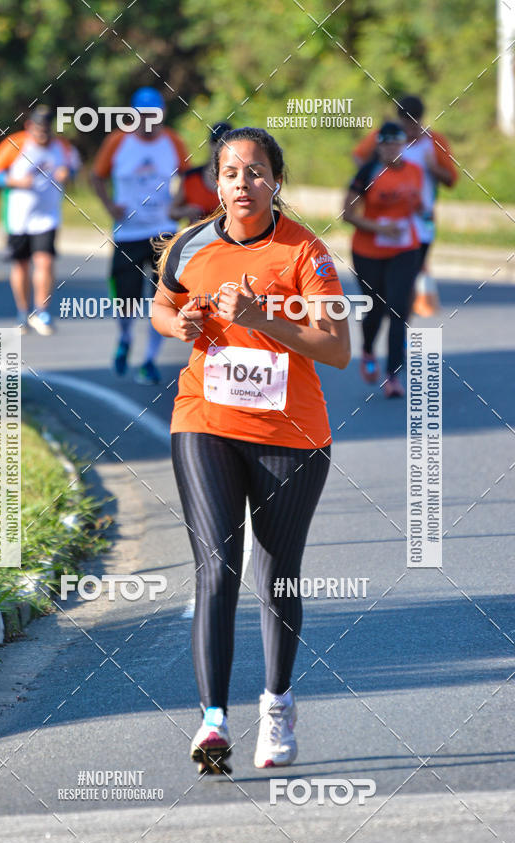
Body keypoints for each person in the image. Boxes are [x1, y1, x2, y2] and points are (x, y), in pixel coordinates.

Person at [151, 127, 350, 774]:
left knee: (277, 574)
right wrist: (175, 323)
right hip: (203, 419)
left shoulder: (305, 253)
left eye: (257, 171)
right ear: (216, 183)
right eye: (232, 172)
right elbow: (163, 304)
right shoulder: (189, 243)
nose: (244, 182)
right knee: (216, 563)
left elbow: (338, 348)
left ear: (277, 182)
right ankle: (212, 719)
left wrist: (264, 319)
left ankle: (277, 701)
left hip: (290, 436)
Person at [91, 86, 189, 385]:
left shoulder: (173, 141)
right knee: (127, 299)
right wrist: (109, 205)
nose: (149, 121)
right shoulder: (118, 141)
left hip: (163, 231)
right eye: (143, 115)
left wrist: (177, 204)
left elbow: (189, 176)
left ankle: (149, 360)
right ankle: (124, 338)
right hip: (128, 233)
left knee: (163, 297)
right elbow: (96, 175)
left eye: (154, 115)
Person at [353, 95, 458, 315]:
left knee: (412, 272)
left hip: (423, 218)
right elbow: (359, 157)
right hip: (385, 221)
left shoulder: (434, 141)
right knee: (388, 278)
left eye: (415, 124)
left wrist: (432, 168)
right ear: (399, 119)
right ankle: (392, 314)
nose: (410, 129)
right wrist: (375, 174)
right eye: (406, 124)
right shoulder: (386, 136)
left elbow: (451, 179)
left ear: (421, 120)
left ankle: (402, 317)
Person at [343, 121, 423, 398]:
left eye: (396, 144)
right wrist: (380, 228)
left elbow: (419, 205)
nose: (391, 149)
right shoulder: (368, 172)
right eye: (386, 144)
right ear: (378, 146)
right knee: (375, 308)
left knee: (399, 308)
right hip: (368, 251)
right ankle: (367, 350)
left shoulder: (415, 171)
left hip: (405, 248)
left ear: (404, 145)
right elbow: (347, 214)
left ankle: (392, 376)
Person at [0, 106, 80, 336]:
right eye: (38, 129)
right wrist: (16, 182)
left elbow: (75, 167)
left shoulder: (63, 147)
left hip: (47, 217)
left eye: (46, 130)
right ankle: (22, 312)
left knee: (45, 261)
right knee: (21, 265)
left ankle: (42, 311)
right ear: (29, 127)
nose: (42, 134)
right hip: (19, 218)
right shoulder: (15, 144)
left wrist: (68, 174)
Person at [169, 121, 232, 222]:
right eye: (216, 142)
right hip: (197, 236)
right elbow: (172, 212)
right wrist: (186, 211)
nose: (220, 147)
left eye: (226, 144)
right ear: (209, 144)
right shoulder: (191, 177)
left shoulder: (240, 179)